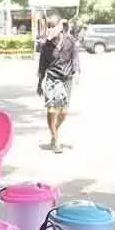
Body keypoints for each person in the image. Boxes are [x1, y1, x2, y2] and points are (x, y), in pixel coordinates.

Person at [37, 12, 80, 153]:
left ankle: (56, 128)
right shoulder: (46, 45)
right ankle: (55, 138)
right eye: (48, 27)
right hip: (52, 78)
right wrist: (39, 82)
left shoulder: (70, 41)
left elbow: (75, 58)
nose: (50, 29)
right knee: (51, 109)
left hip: (66, 78)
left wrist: (77, 72)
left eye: (52, 26)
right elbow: (42, 64)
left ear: (60, 26)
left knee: (63, 112)